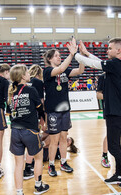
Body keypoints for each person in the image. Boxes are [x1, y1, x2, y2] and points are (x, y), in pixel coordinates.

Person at [75, 38, 121, 189]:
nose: (107, 50)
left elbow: (95, 64)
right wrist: (86, 52)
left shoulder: (115, 64)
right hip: (117, 110)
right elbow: (101, 62)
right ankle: (118, 174)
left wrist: (76, 55)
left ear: (118, 50)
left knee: (113, 147)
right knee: (116, 145)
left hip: (115, 111)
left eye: (110, 48)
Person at [7, 64, 49, 195]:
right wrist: (43, 121)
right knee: (38, 158)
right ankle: (38, 186)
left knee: (18, 164)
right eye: (26, 72)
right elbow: (40, 108)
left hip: (15, 131)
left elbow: (8, 112)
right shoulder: (31, 90)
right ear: (23, 76)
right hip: (30, 130)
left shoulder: (11, 92)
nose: (29, 74)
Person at [43, 38, 85, 177]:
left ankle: (63, 162)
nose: (59, 57)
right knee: (54, 140)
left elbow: (80, 70)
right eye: (56, 56)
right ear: (49, 59)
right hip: (53, 111)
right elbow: (60, 68)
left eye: (60, 55)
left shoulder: (65, 72)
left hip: (65, 110)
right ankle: (50, 165)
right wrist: (71, 54)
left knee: (63, 138)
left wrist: (79, 54)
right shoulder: (47, 71)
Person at [22, 64, 45, 180]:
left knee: (26, 144)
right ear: (39, 73)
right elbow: (40, 102)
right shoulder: (38, 82)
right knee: (33, 143)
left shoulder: (24, 81)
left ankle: (27, 166)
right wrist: (42, 118)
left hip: (21, 116)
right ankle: (28, 168)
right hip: (33, 116)